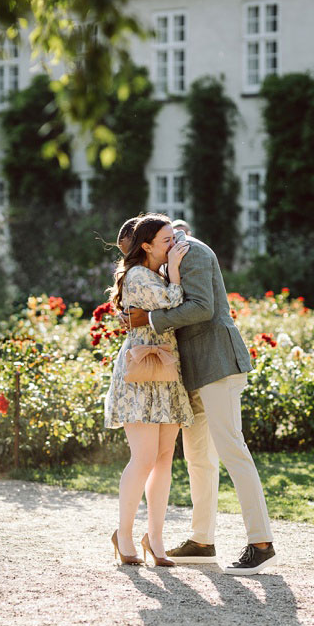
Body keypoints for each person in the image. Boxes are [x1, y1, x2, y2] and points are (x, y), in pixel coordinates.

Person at [127, 221, 277, 572]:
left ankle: (261, 541)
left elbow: (203, 308)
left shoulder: (190, 252)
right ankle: (201, 540)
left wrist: (149, 318)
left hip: (218, 362)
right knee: (198, 458)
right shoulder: (172, 259)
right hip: (195, 369)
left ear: (148, 243)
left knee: (232, 451)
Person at [103, 214, 192, 567]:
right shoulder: (139, 276)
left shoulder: (157, 273)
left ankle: (154, 538)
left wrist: (170, 267)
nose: (175, 245)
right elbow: (176, 302)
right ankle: (123, 535)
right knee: (143, 458)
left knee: (165, 457)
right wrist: (174, 269)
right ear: (147, 246)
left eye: (174, 239)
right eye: (168, 240)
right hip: (141, 372)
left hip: (166, 368)